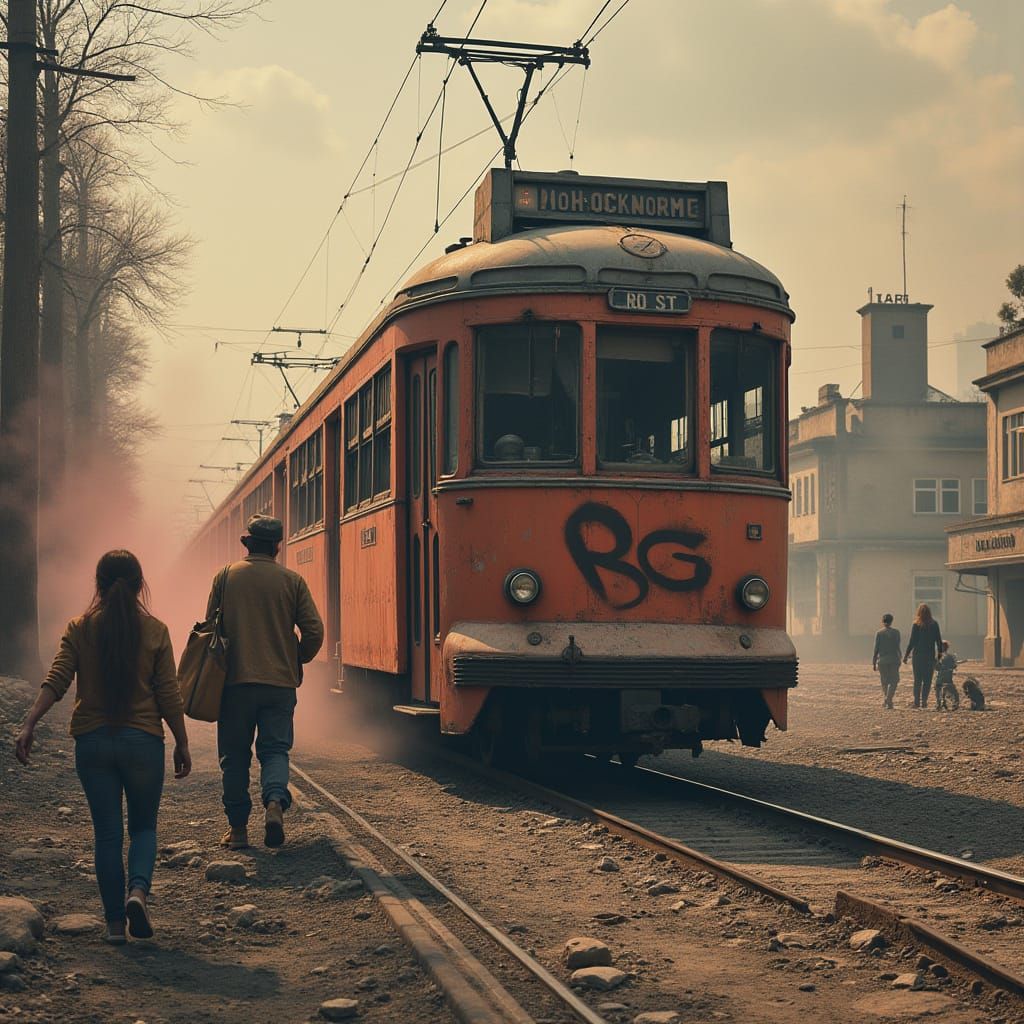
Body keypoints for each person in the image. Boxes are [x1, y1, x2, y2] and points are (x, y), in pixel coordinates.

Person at [15, 551, 191, 945]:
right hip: (144, 743)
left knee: (108, 835)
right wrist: (180, 740)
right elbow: (168, 694)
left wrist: (28, 723)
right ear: (139, 584)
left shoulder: (80, 628)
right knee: (143, 827)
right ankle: (137, 893)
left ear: (98, 585)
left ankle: (114, 926)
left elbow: (57, 679)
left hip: (93, 744)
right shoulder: (157, 631)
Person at [212, 514, 323, 850]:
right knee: (275, 750)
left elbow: (209, 629)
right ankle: (275, 801)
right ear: (278, 546)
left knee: (234, 757)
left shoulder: (226, 577)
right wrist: (295, 657)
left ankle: (239, 830)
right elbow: (315, 631)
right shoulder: (292, 581)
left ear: (247, 543)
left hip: (235, 685)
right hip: (279, 685)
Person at [903, 603, 942, 708]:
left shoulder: (916, 625)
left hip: (918, 656)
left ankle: (916, 702)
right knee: (927, 680)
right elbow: (939, 641)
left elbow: (912, 642)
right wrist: (939, 656)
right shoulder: (934, 624)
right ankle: (924, 701)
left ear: (919, 613)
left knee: (917, 680)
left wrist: (906, 655)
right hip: (929, 656)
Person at [872, 613, 902, 709]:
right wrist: (900, 657)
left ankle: (887, 699)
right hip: (893, 659)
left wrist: (874, 661)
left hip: (882, 660)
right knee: (894, 680)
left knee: (884, 681)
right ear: (891, 621)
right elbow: (898, 646)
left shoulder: (879, 633)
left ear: (883, 621)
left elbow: (876, 649)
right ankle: (888, 698)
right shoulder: (896, 632)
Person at [935, 641, 960, 711]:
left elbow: (936, 667)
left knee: (939, 689)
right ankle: (942, 703)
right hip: (946, 676)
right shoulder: (949, 656)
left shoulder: (940, 656)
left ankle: (940, 703)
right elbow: (954, 665)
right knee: (947, 689)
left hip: (942, 676)